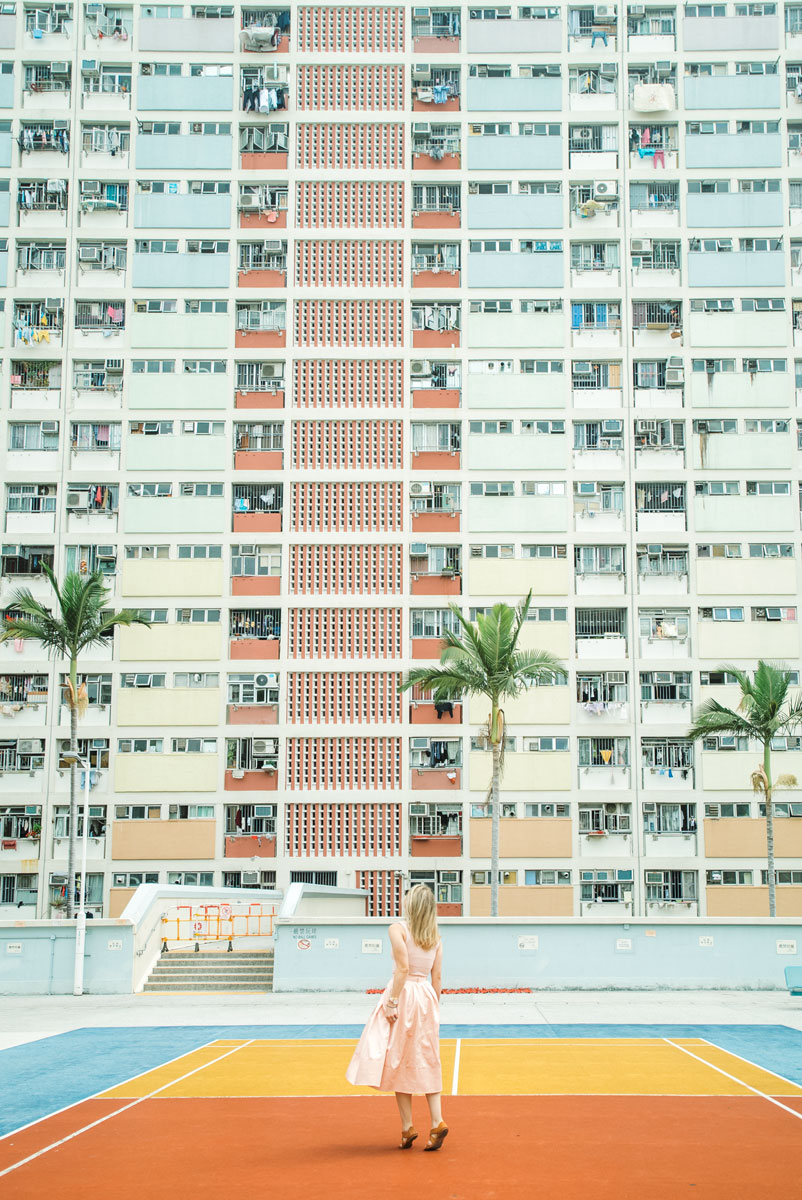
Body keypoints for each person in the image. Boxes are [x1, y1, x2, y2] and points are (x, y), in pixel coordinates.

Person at [346, 884, 447, 1151]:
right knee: (428, 1057)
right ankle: (436, 1121)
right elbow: (437, 977)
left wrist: (392, 1002)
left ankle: (407, 1127)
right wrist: (434, 1006)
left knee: (397, 1057)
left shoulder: (398, 929)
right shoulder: (436, 938)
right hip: (426, 996)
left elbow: (402, 968)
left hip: (403, 993)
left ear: (410, 904)